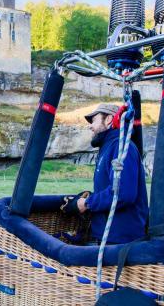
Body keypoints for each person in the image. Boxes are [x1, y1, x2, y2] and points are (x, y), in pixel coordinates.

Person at [61, 103, 148, 244]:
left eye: (94, 120)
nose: (90, 126)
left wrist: (86, 203)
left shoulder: (122, 148)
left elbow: (123, 193)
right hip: (109, 236)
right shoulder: (109, 147)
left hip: (119, 240)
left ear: (108, 120)